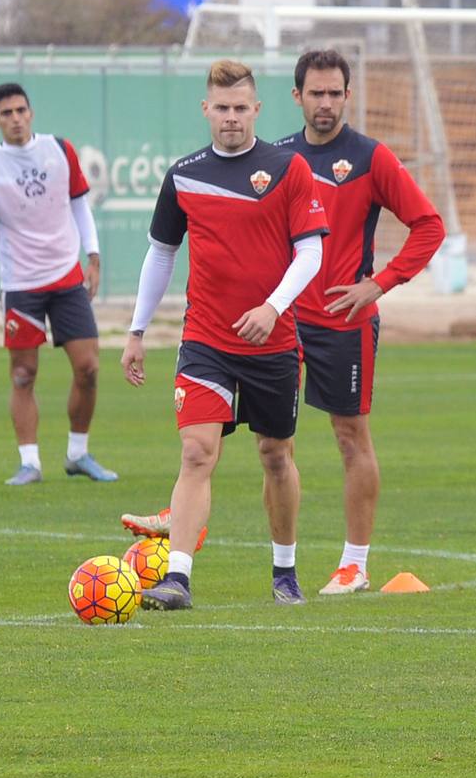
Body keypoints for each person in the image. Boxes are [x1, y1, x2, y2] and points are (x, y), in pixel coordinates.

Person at [121, 49, 446, 596]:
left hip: (324, 325)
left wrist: (376, 284)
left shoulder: (360, 159)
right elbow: (164, 251)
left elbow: (423, 226)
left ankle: (340, 563)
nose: (325, 102)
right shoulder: (238, 165)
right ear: (295, 98)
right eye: (315, 93)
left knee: (326, 442)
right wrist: (137, 330)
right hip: (243, 329)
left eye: (334, 93)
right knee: (223, 449)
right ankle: (181, 551)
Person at [120, 60, 328, 610]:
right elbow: (161, 254)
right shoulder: (183, 175)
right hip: (206, 340)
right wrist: (136, 331)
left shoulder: (287, 169)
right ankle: (178, 579)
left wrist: (272, 306)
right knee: (195, 453)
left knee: (276, 456)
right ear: (205, 109)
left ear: (257, 110)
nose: (231, 117)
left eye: (241, 108)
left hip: (274, 342)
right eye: (222, 107)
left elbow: (312, 252)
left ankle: (285, 572)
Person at [0, 82, 118, 486]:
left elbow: (80, 207)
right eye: (6, 113)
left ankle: (78, 454)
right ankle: (30, 462)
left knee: (89, 368)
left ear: (31, 113)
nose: (15, 118)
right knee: (23, 374)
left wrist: (94, 258)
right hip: (21, 285)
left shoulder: (60, 151)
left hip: (67, 277)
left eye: (20, 110)